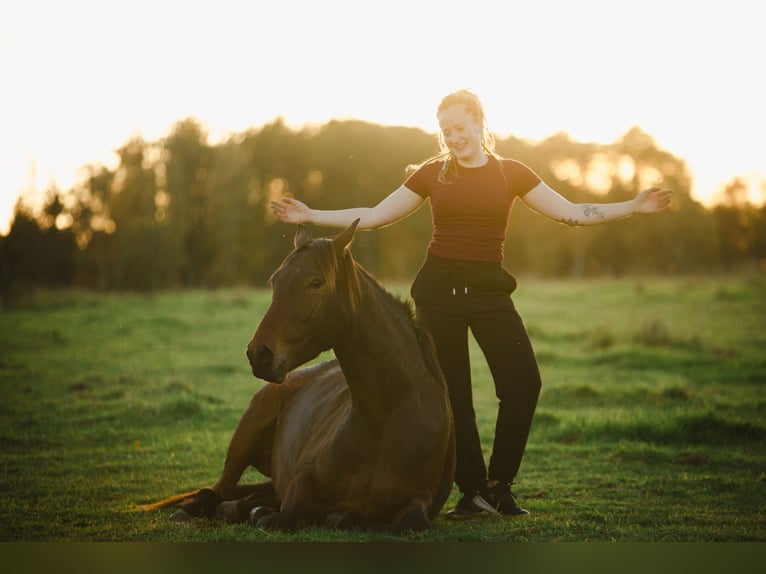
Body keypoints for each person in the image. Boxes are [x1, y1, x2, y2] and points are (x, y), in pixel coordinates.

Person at [269, 89, 672, 519]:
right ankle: (473, 492)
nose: (454, 138)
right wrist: (310, 214)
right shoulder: (432, 175)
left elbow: (571, 212)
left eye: (460, 128)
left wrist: (633, 206)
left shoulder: (511, 174)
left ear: (480, 122)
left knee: (523, 383)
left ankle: (500, 486)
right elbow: (373, 214)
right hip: (439, 293)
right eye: (446, 131)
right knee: (453, 395)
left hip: (489, 293)